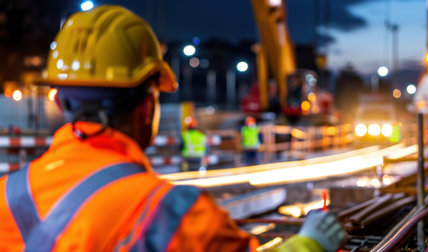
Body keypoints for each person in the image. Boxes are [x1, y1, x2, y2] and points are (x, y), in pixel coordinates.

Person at [0, 5, 347, 252]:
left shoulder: (6, 195)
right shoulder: (175, 214)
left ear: (61, 103)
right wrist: (308, 244)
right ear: (148, 107)